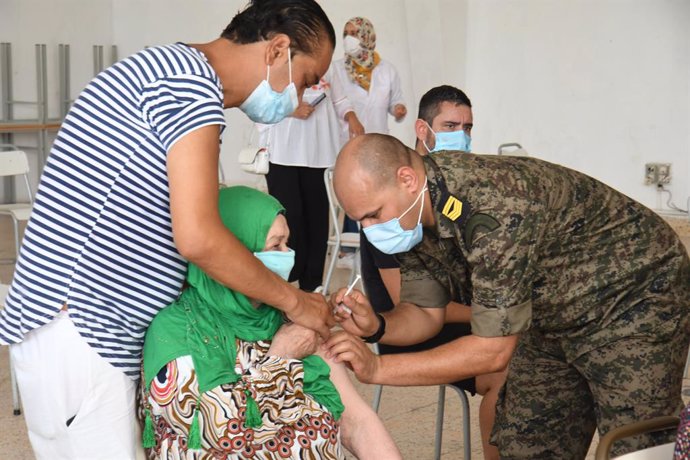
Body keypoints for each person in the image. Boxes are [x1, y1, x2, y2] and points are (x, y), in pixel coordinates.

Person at [0, 1, 338, 458]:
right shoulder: (188, 85)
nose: (301, 98)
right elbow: (198, 236)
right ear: (278, 49)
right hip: (82, 330)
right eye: (305, 81)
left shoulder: (172, 74)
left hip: (83, 332)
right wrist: (295, 301)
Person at [325, 133, 690, 458]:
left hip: (633, 296)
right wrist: (377, 327)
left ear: (407, 179)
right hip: (551, 315)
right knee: (527, 442)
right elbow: (424, 311)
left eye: (373, 215)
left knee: (636, 447)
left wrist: (377, 368)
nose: (371, 231)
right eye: (362, 220)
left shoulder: (494, 205)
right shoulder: (411, 212)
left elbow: (492, 350)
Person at [141, 186, 401, 459]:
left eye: (287, 244)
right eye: (275, 246)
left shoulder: (294, 319)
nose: (286, 255)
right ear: (234, 253)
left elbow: (356, 423)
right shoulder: (179, 331)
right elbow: (223, 434)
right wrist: (283, 358)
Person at [358, 85, 503, 460]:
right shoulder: (394, 205)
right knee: (510, 374)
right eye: (451, 125)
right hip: (412, 328)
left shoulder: (455, 194)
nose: (462, 136)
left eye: (468, 127)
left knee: (545, 360)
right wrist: (497, 312)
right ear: (422, 130)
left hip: (474, 317)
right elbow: (404, 303)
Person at [257, 67, 361, 292]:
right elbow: (258, 104)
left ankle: (313, 286)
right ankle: (286, 282)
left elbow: (340, 99)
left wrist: (351, 118)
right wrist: (290, 111)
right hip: (283, 157)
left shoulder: (327, 65)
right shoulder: (275, 65)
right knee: (290, 220)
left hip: (319, 154)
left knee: (317, 222)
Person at [331, 16, 406, 266]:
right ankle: (349, 251)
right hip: (349, 143)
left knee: (378, 194)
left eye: (355, 32)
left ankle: (379, 246)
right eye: (346, 32)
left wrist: (399, 110)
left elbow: (396, 101)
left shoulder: (387, 70)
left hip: (379, 145)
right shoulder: (337, 69)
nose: (349, 38)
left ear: (367, 36)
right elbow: (338, 104)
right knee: (354, 190)